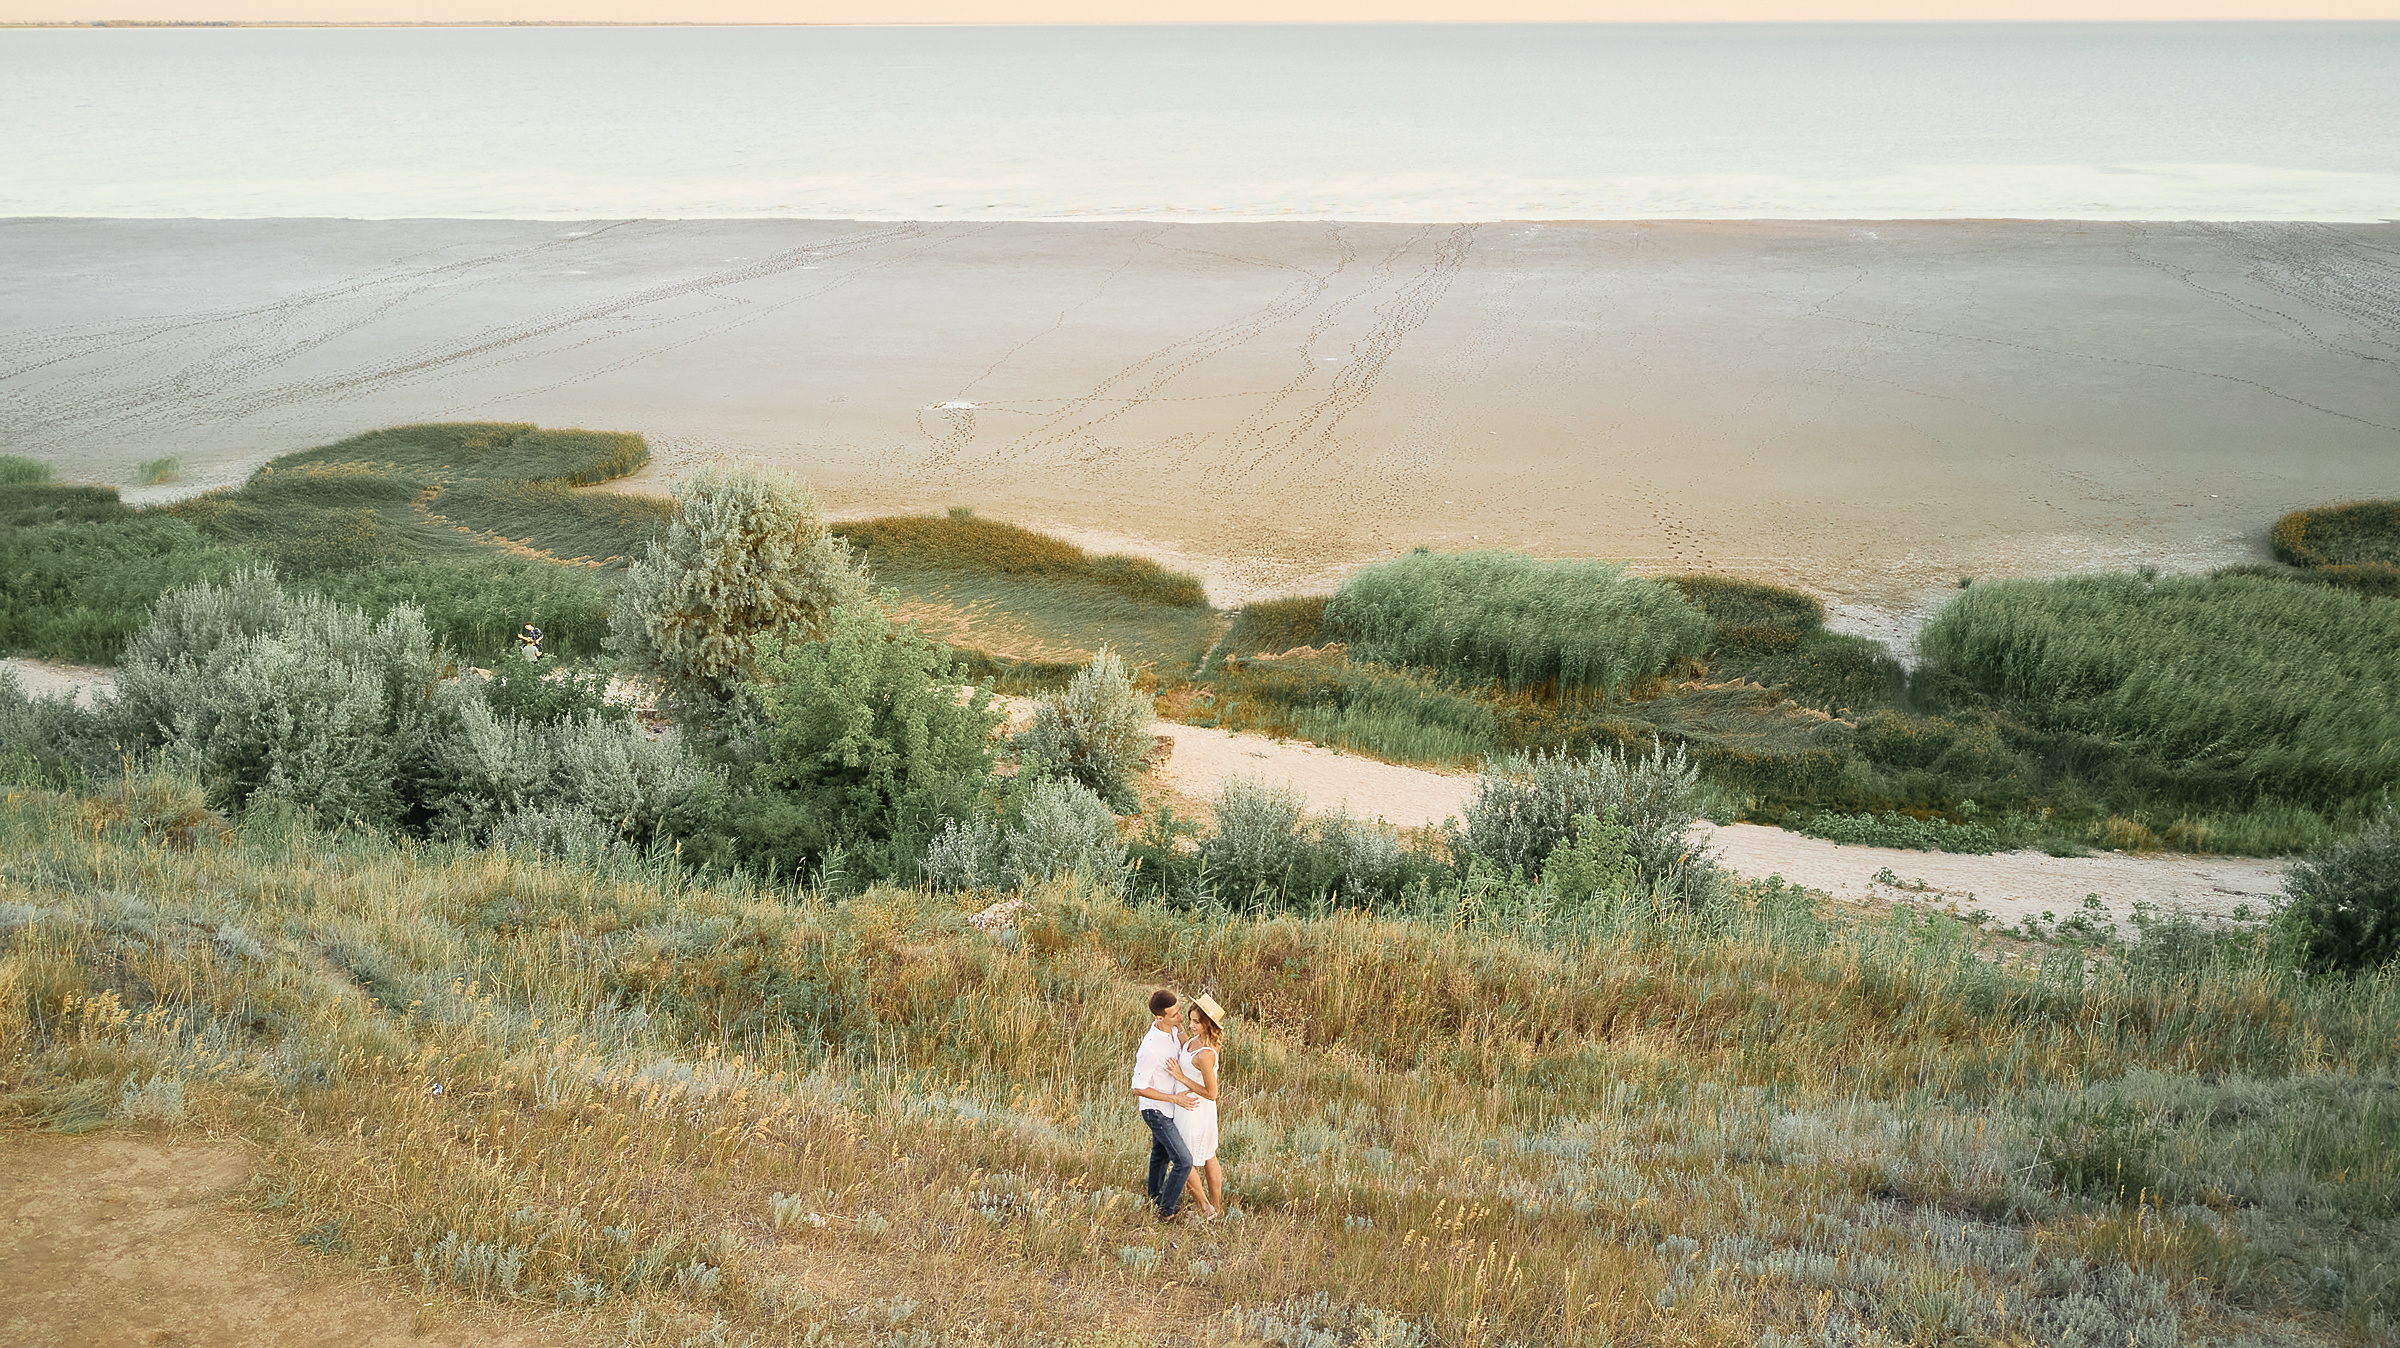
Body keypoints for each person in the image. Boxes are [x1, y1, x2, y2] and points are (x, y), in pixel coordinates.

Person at [1130, 987, 1200, 1219]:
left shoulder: (1171, 1029)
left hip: (1169, 1107)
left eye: (1180, 1011)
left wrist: (1179, 1028)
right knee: (1183, 1160)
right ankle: (1166, 1211)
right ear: (1159, 1017)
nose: (1181, 1018)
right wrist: (1174, 1098)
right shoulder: (1151, 1049)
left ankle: (1155, 1197)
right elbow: (1138, 1087)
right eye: (1175, 1015)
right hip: (1156, 1110)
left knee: (1160, 1154)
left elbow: (1185, 1046)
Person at [1166, 993, 1226, 1219]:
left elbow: (1212, 1093)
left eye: (1196, 1022)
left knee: (1186, 1158)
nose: (1191, 1025)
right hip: (1186, 1107)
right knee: (1207, 1154)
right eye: (1190, 1020)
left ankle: (1207, 1208)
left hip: (1196, 1109)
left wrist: (1181, 1078)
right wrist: (1178, 1025)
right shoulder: (1195, 1041)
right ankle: (1214, 1208)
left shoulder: (1207, 1054)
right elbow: (1186, 1047)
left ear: (1207, 1024)